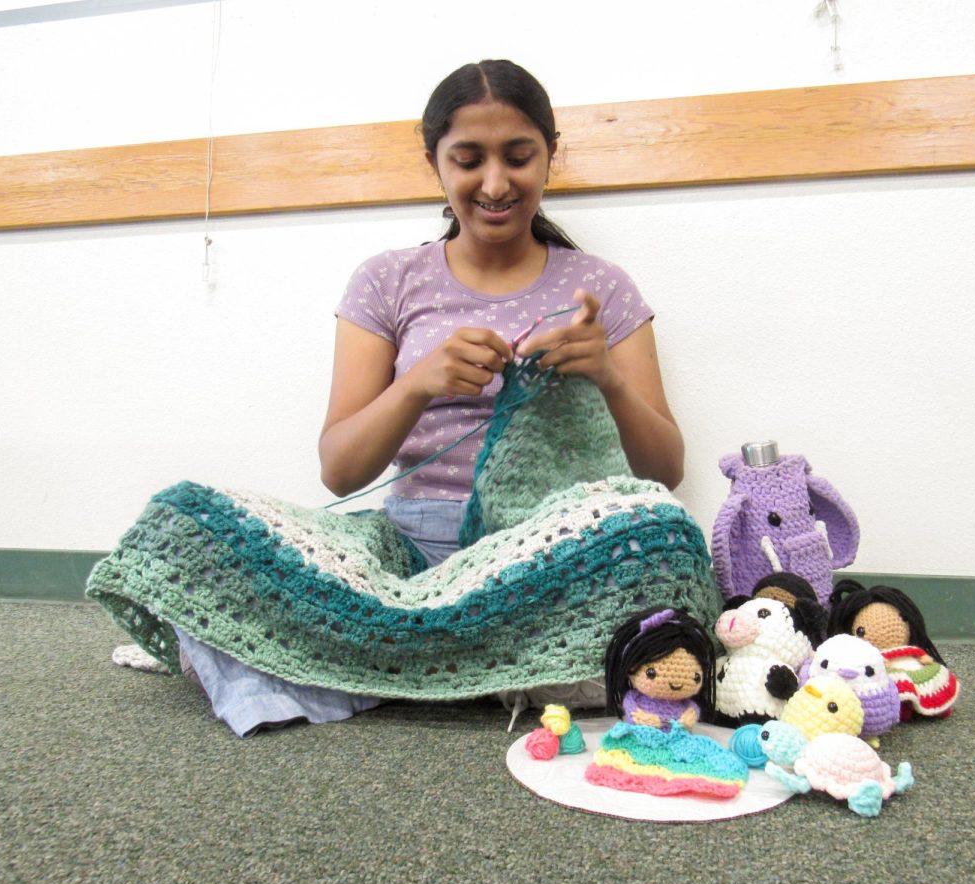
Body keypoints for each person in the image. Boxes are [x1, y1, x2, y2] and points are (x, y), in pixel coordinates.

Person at [177, 59, 685, 737]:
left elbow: (664, 473)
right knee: (193, 529)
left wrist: (609, 380)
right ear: (434, 164)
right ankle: (491, 663)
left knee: (661, 534)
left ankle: (411, 659)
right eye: (469, 159)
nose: (496, 183)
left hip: (550, 557)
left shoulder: (603, 285)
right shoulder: (387, 281)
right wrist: (417, 384)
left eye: (519, 156)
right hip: (411, 551)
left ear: (549, 157)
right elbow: (340, 469)